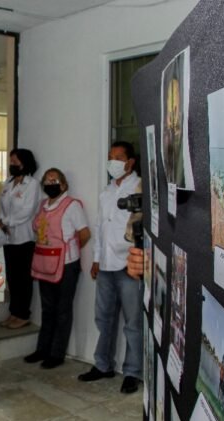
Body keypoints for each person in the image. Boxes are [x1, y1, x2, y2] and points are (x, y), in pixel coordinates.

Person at [78, 141, 143, 394]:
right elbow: (99, 228)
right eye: (110, 157)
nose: (112, 162)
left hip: (129, 265)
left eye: (118, 158)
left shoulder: (139, 188)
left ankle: (132, 371)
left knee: (133, 322)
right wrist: (96, 259)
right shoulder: (106, 191)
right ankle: (103, 365)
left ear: (130, 163)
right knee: (103, 319)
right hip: (105, 265)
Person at [24, 168, 90, 369]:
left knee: (63, 309)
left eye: (55, 180)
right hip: (45, 263)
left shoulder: (72, 206)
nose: (50, 183)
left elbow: (84, 233)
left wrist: (70, 252)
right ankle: (42, 349)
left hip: (66, 265)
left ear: (63, 185)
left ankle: (57, 353)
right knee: (47, 308)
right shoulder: (44, 205)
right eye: (47, 180)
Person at [0, 148, 42, 329]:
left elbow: (28, 211)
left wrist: (7, 222)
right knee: (12, 278)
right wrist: (1, 221)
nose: (12, 165)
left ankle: (23, 314)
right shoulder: (8, 183)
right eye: (11, 162)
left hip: (25, 238)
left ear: (26, 163)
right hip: (8, 238)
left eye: (16, 162)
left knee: (23, 278)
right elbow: (1, 205)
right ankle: (14, 312)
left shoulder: (33, 184)